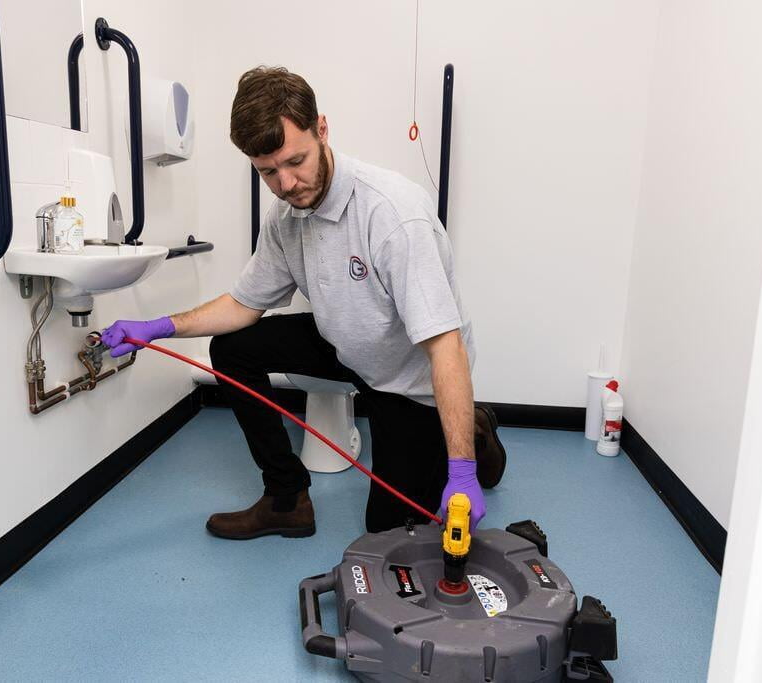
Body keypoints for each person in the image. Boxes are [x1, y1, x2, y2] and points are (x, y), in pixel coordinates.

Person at [102, 66, 505, 540]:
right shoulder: (285, 220)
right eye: (268, 171)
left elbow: (446, 348)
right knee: (232, 348)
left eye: (296, 161)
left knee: (389, 536)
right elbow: (243, 305)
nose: (287, 183)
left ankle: (474, 435)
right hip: (346, 343)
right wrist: (159, 327)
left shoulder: (393, 215)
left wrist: (461, 473)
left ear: (323, 129)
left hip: (409, 379)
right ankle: (286, 499)